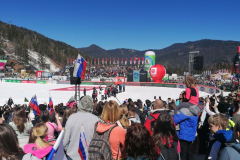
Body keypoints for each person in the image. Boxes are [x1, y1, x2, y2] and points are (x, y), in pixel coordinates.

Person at [63, 95, 99, 160]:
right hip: (90, 156)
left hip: (72, 156)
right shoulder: (96, 119)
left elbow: (65, 140)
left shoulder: (72, 118)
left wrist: (70, 150)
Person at [173, 95, 201, 160]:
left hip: (184, 135)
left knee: (183, 153)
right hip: (191, 134)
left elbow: (174, 120)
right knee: (189, 153)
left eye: (180, 98)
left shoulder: (185, 110)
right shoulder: (195, 109)